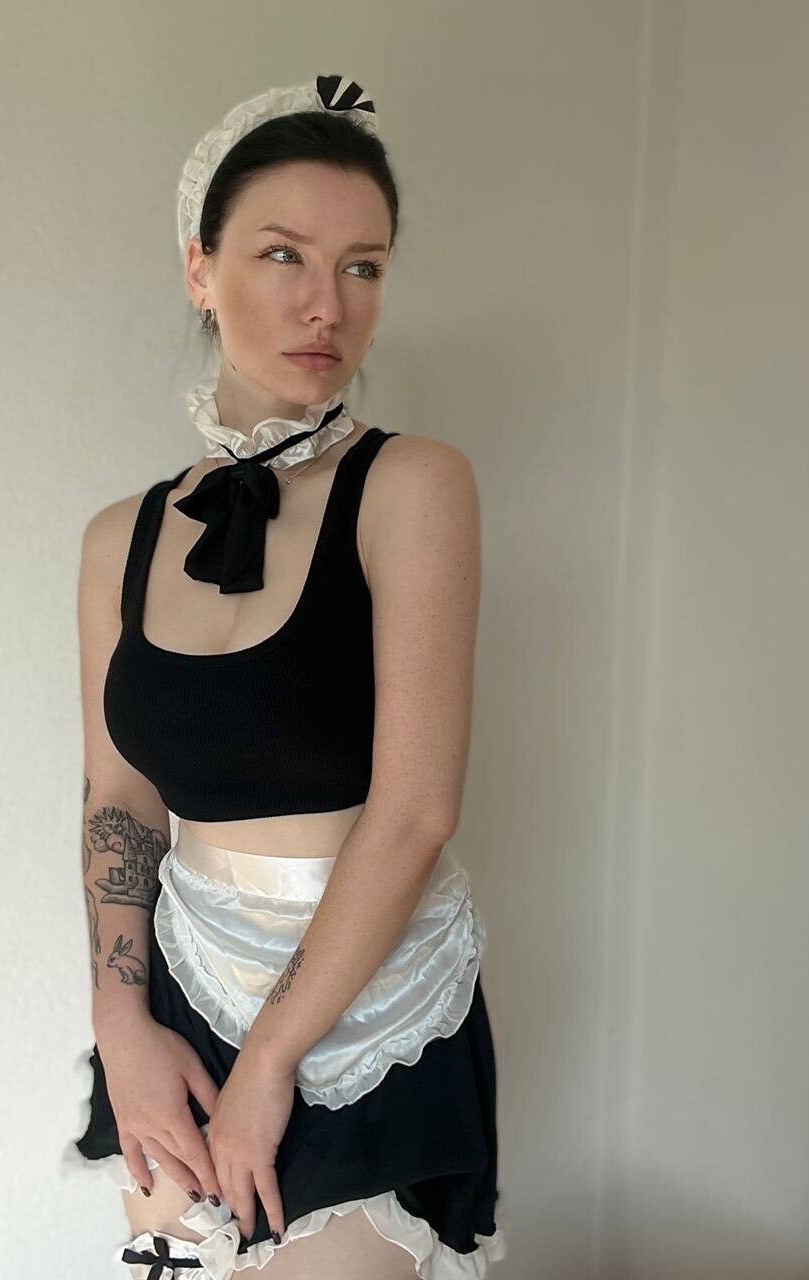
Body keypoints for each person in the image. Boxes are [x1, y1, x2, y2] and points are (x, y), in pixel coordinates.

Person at [61, 73, 507, 1279]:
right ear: (200, 268)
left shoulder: (415, 486)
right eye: (283, 255)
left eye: (365, 266)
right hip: (178, 995)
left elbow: (416, 810)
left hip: (366, 1013)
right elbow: (119, 795)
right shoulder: (117, 539)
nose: (328, 304)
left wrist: (270, 1062)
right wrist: (119, 1020)